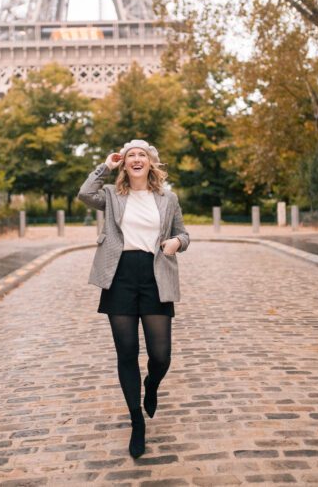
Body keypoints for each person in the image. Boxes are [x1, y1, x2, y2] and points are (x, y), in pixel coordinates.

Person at [77, 139, 190, 458]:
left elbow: (184, 234)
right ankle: (136, 421)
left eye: (142, 155)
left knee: (161, 355)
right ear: (124, 164)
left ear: (151, 162)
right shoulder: (113, 195)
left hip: (155, 273)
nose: (136, 159)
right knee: (127, 353)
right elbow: (85, 193)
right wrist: (105, 167)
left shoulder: (168, 198)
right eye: (130, 156)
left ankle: (151, 385)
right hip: (120, 274)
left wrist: (176, 244)